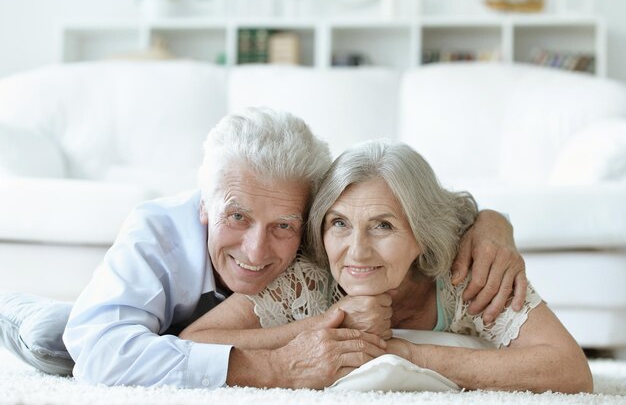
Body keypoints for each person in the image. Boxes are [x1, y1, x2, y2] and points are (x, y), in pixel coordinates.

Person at [1, 108, 526, 389]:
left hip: (223, 331)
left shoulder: (325, 236)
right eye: (236, 216)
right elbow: (105, 353)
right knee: (59, 339)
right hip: (140, 325)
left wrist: (491, 222)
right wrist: (271, 369)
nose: (257, 250)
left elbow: (398, 197)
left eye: (283, 225)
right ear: (204, 204)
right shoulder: (155, 233)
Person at [181, 139, 592, 393]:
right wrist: (331, 320)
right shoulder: (307, 274)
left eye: (383, 226)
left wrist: (408, 355)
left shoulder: (465, 270)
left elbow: (570, 370)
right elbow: (195, 341)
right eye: (339, 223)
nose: (356, 252)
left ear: (422, 234)